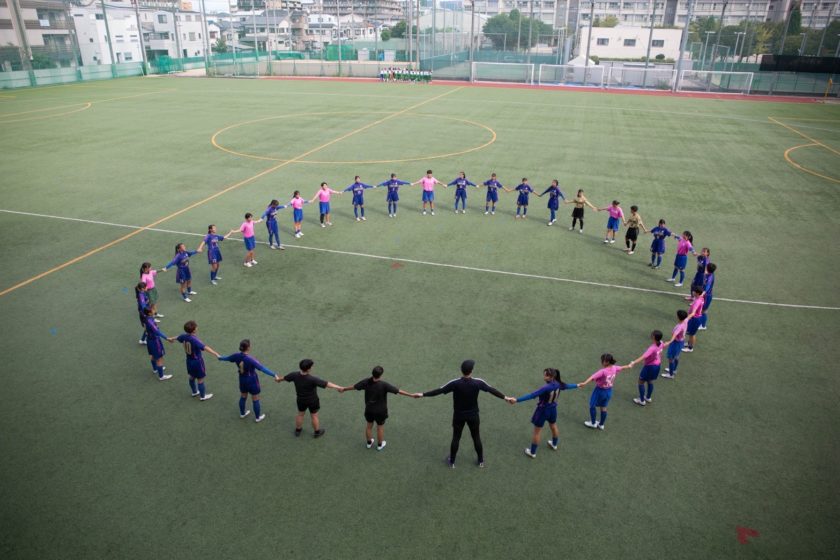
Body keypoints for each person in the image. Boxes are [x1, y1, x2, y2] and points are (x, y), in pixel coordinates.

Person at [415, 359, 512, 469]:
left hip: (459, 416)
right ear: (471, 371)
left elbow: (439, 391)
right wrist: (505, 398)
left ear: (462, 371)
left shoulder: (455, 383)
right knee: (476, 437)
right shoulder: (478, 382)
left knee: (456, 437)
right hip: (473, 416)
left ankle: (452, 461)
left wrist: (422, 394)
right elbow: (491, 390)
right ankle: (481, 461)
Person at [339, 365, 414, 450]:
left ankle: (369, 442)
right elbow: (398, 391)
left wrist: (344, 389)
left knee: (368, 426)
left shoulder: (366, 382)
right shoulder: (384, 385)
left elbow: (354, 387)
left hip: (369, 410)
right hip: (380, 411)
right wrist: (411, 395)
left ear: (372, 373)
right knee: (380, 427)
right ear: (381, 375)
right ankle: (379, 445)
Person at [510, 368, 578, 458]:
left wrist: (517, 400)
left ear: (550, 377)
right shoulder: (558, 384)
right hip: (553, 410)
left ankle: (532, 452)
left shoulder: (545, 388)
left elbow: (531, 396)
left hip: (542, 411)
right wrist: (577, 385)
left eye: (545, 375)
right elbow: (567, 386)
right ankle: (554, 444)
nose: (544, 376)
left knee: (537, 432)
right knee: (553, 426)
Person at [276, 359, 342, 438]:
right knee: (314, 416)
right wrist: (339, 387)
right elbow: (327, 384)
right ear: (308, 369)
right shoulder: (312, 379)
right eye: (311, 366)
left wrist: (278, 379)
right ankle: (317, 432)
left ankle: (298, 430)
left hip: (301, 400)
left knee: (300, 414)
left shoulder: (294, 375)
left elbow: (284, 378)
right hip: (313, 401)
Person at [218, 339, 278, 423]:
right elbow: (262, 368)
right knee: (255, 398)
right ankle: (257, 417)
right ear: (248, 348)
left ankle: (242, 413)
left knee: (243, 396)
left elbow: (227, 358)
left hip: (242, 379)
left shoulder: (236, 355)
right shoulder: (250, 359)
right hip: (252, 380)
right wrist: (274, 374)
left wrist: (220, 357)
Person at [577, 354, 629, 430]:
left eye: (603, 361)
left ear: (607, 362)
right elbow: (622, 367)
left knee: (592, 405)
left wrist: (584, 383)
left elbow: (592, 377)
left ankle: (593, 423)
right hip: (609, 392)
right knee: (603, 407)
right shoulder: (614, 368)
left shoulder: (603, 371)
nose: (601, 362)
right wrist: (629, 365)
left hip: (599, 391)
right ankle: (601, 425)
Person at [176, 320, 220, 401]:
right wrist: (216, 354)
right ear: (194, 330)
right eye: (196, 327)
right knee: (200, 378)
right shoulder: (194, 340)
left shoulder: (184, 336)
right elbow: (205, 347)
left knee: (192, 377)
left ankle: (194, 392)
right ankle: (203, 396)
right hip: (197, 362)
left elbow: (178, 337)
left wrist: (171, 338)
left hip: (189, 361)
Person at [627, 330, 667, 406]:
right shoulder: (661, 343)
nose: (651, 334)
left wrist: (633, 362)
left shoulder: (652, 348)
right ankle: (648, 397)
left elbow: (643, 357)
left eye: (652, 334)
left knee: (641, 382)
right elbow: (664, 345)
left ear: (654, 337)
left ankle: (642, 400)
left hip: (650, 367)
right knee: (650, 381)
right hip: (657, 365)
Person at [142, 307, 174, 381]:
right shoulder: (150, 321)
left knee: (153, 355)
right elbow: (157, 332)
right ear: (149, 313)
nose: (154, 310)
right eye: (152, 310)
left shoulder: (147, 318)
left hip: (149, 340)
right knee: (160, 358)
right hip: (155, 341)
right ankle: (161, 376)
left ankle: (155, 369)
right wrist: (167, 338)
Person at [662, 310, 689, 379]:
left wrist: (668, 343)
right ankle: (674, 369)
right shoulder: (685, 321)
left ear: (678, 317)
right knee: (676, 356)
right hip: (681, 342)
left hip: (675, 344)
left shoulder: (679, 327)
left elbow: (673, 337)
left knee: (671, 359)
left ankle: (671, 374)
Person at [683, 284, 706, 353]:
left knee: (692, 334)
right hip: (696, 318)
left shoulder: (697, 301)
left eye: (694, 291)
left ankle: (690, 348)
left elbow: (693, 313)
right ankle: (689, 343)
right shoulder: (700, 297)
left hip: (695, 319)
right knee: (691, 333)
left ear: (697, 293)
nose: (693, 292)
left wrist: (686, 319)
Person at [699, 263, 717, 331]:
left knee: (704, 311)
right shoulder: (708, 274)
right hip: (705, 295)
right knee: (701, 310)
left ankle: (703, 325)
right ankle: (701, 323)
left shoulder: (710, 277)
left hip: (707, 296)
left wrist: (702, 293)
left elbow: (708, 286)